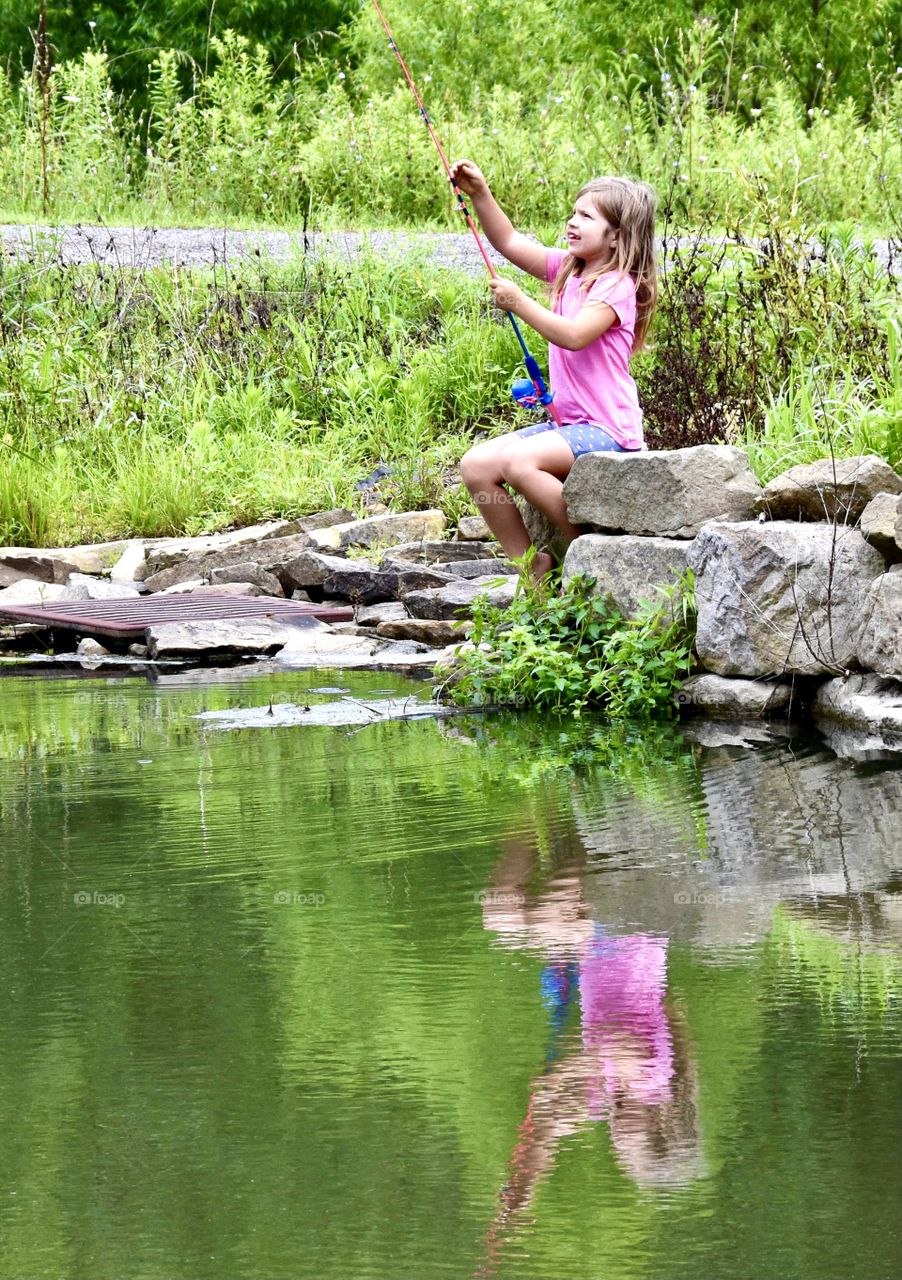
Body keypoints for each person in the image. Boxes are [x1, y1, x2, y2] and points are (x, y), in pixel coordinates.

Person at [450, 160, 658, 581]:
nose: (572, 222)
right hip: (568, 425)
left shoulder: (617, 286)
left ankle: (588, 549)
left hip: (608, 429)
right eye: (573, 212)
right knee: (476, 466)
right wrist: (480, 194)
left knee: (519, 464)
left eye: (586, 216)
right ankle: (532, 568)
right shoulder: (568, 269)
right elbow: (507, 240)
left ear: (616, 236)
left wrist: (521, 303)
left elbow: (575, 335)